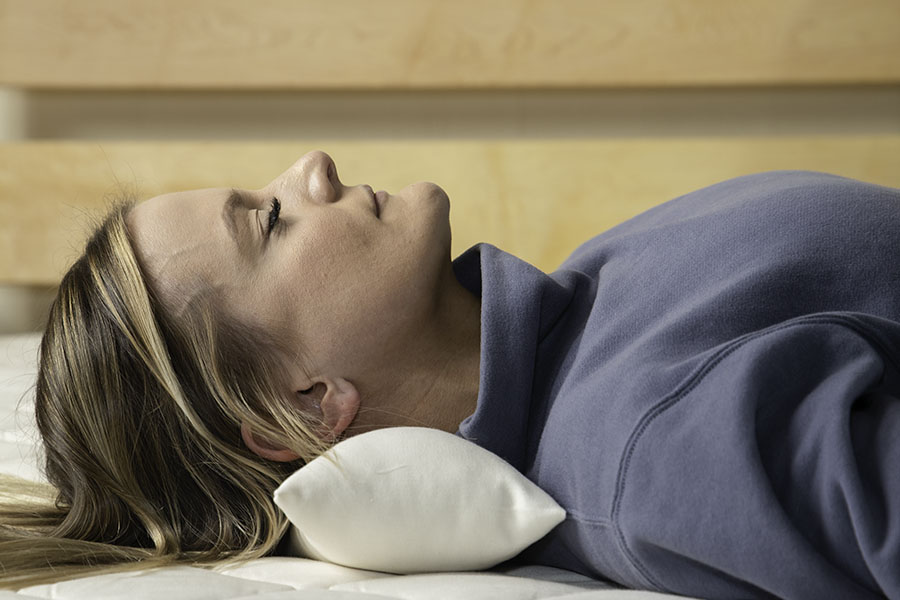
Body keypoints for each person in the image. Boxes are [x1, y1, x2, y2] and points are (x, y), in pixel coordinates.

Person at [1, 151, 898, 599]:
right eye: (269, 222)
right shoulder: (651, 449)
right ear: (301, 406)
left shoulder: (577, 317)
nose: (313, 168)